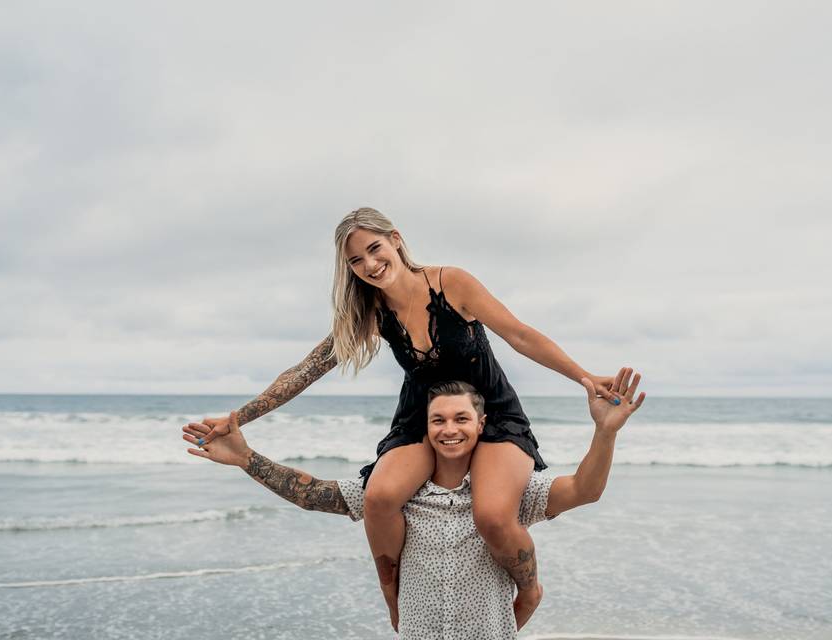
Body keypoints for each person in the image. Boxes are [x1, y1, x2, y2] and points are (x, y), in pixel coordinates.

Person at [185, 208, 618, 628]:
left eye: (375, 249)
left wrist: (584, 377)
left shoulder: (452, 282)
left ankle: (530, 589)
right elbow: (304, 371)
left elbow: (520, 335)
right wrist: (240, 418)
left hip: (489, 412)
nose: (370, 265)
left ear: (395, 240)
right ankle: (394, 598)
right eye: (356, 260)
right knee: (378, 498)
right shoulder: (370, 312)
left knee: (491, 517)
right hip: (420, 416)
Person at [184, 369, 644, 638]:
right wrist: (246, 458)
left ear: (481, 424)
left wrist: (605, 432)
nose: (450, 429)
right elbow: (312, 494)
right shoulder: (398, 497)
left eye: (462, 418)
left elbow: (585, 489)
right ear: (424, 428)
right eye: (438, 419)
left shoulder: (506, 499)